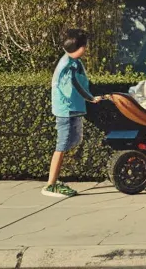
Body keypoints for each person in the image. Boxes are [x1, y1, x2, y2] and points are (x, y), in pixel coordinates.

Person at [45, 28, 103, 197]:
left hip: (71, 108)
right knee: (61, 146)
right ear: (79, 48)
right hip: (66, 110)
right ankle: (51, 184)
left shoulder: (71, 61)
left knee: (73, 140)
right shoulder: (68, 66)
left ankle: (55, 181)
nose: (86, 49)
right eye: (85, 46)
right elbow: (76, 85)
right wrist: (91, 98)